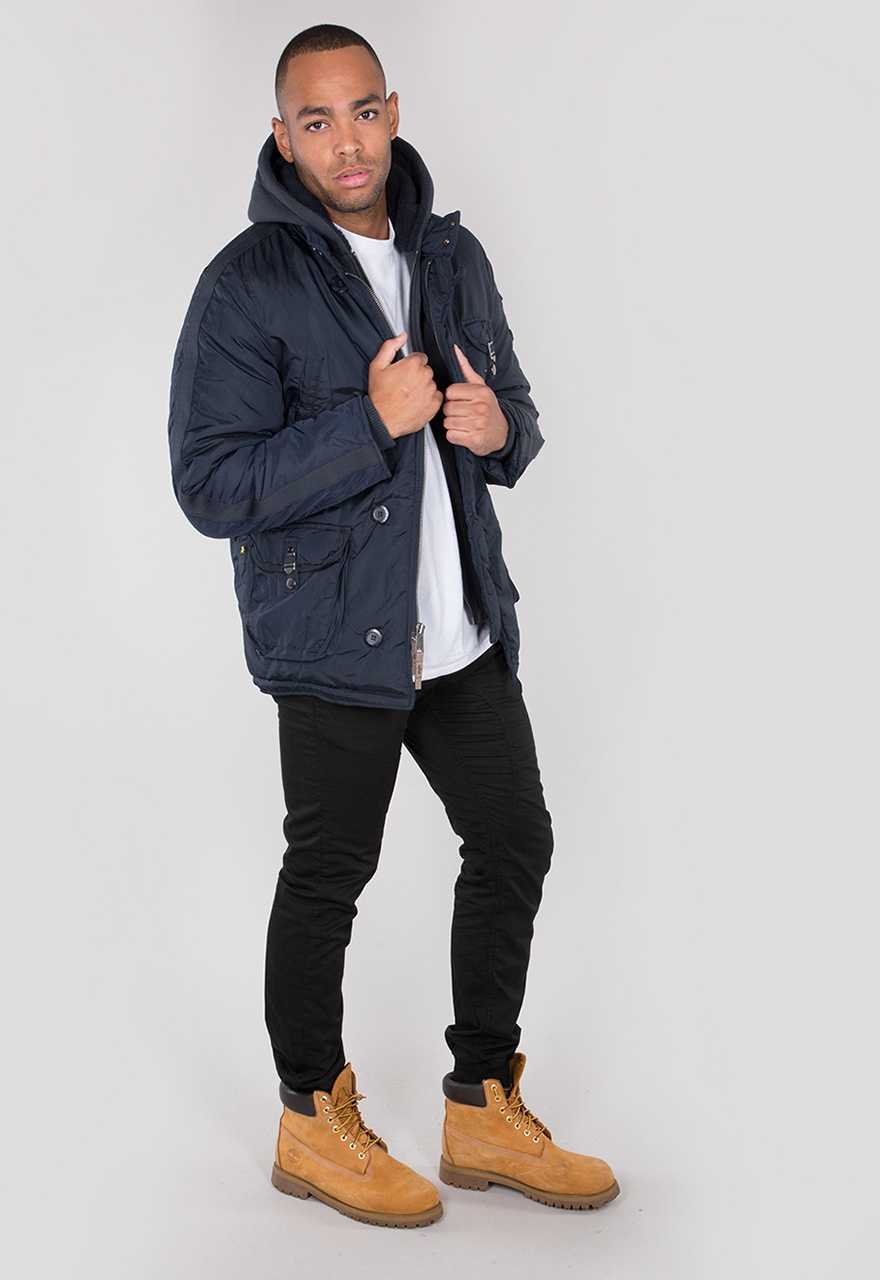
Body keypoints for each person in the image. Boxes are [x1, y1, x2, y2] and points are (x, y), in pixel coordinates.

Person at [168, 22, 619, 1228]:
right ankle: (309, 1116)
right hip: (333, 638)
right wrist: (367, 422)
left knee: (513, 837)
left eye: (362, 111)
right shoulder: (246, 283)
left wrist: (498, 430)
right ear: (282, 138)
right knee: (329, 872)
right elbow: (209, 483)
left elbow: (511, 407)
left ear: (394, 111)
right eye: (315, 121)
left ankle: (479, 1103)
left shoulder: (449, 255)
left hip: (456, 627)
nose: (346, 141)